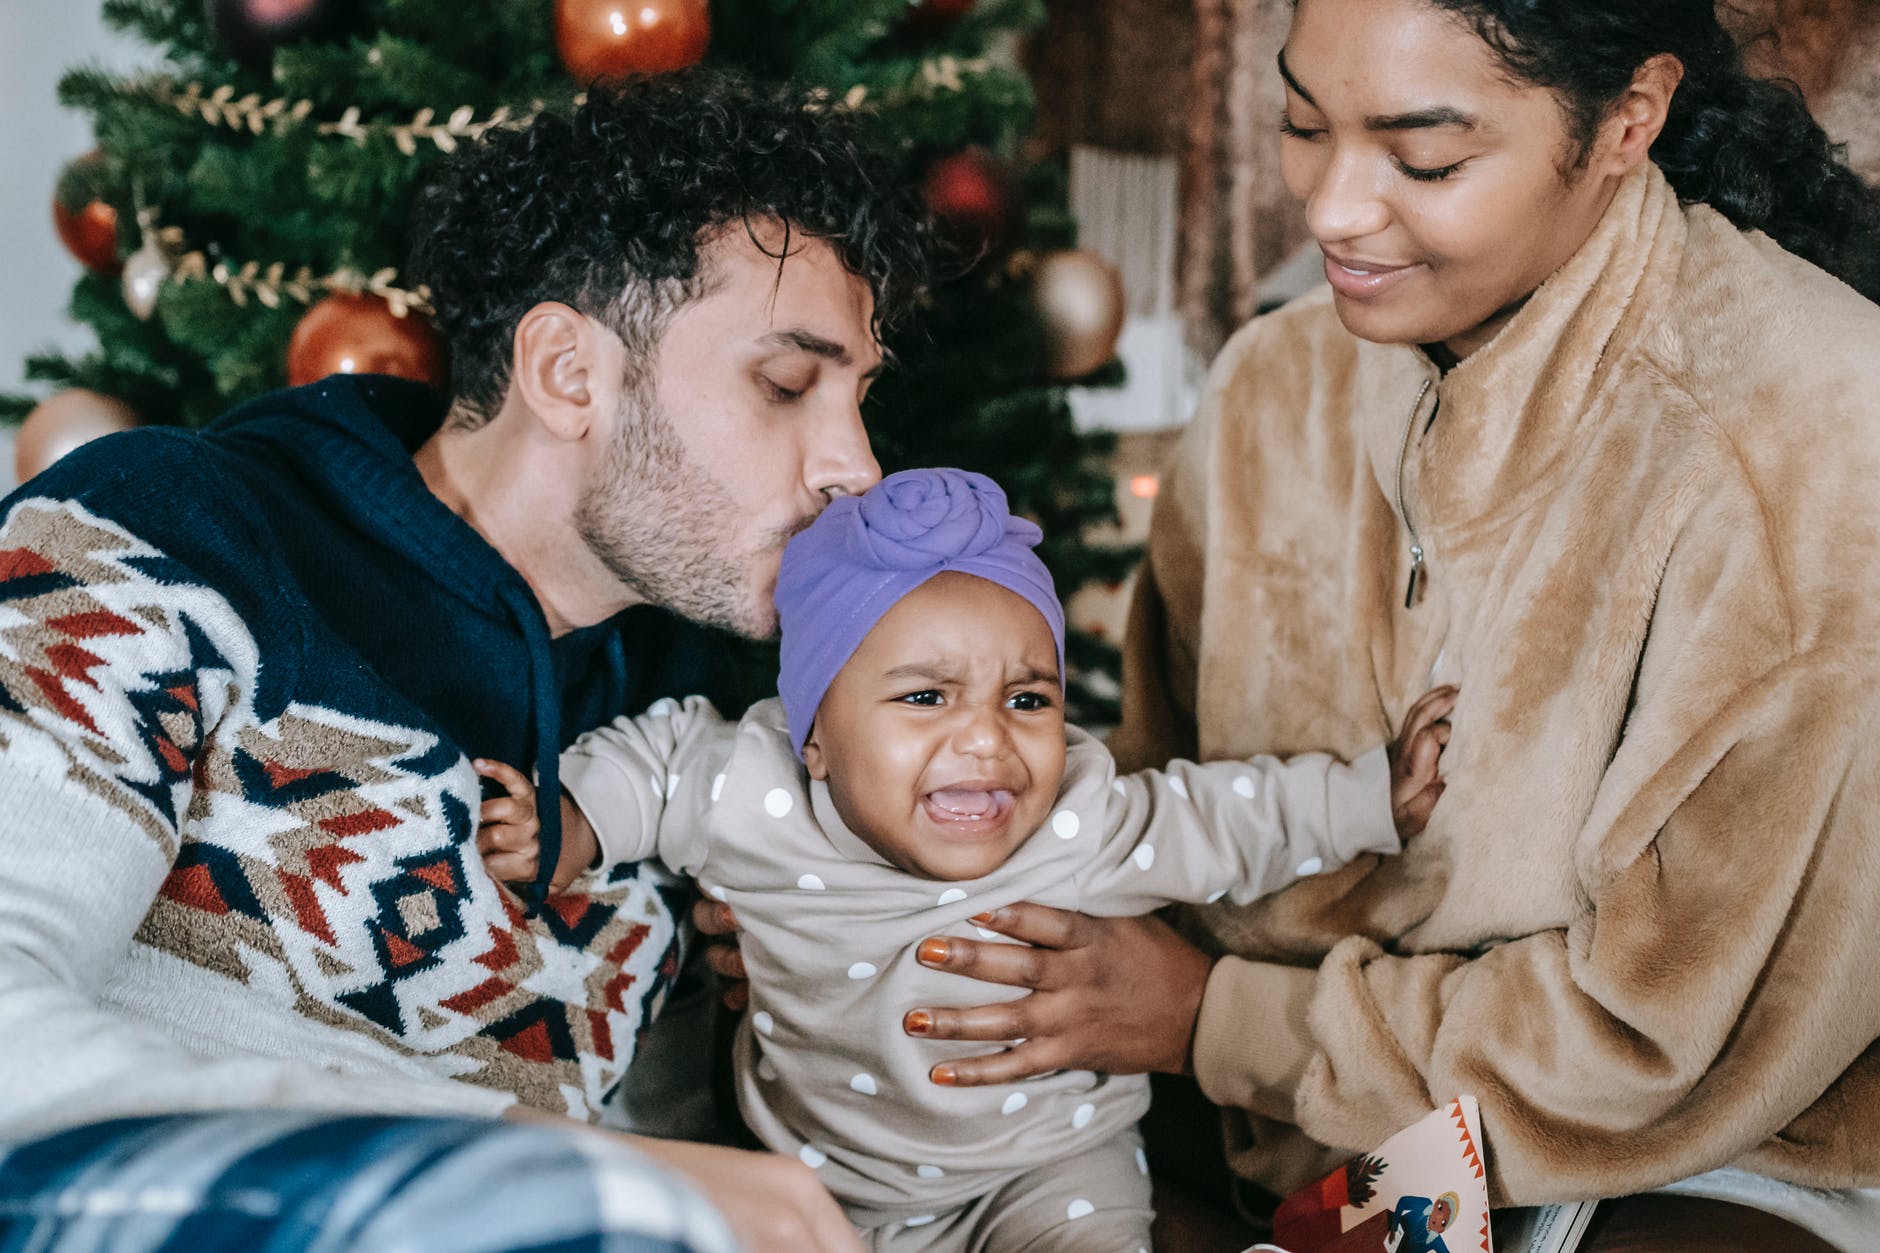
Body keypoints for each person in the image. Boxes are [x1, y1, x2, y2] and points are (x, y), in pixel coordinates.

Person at [881, 0, 1880, 1248]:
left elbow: (1653, 1043)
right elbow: (1143, 811)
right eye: (1302, 124)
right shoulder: (1268, 384)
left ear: (1626, 121)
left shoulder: (1813, 441)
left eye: (1424, 160)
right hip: (1269, 1101)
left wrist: (1211, 1018)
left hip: (1671, 1163)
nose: (1332, 212)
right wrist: (871, 872)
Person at [0, 68, 930, 1252]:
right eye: (787, 383)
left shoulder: (685, 730)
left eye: (855, 396)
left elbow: (710, 1155)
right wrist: (558, 1170)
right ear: (566, 372)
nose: (854, 463)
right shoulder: (159, 534)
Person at [475, 467, 1455, 1251]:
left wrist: (1372, 796)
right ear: (812, 736)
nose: (987, 738)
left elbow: (1229, 817)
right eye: (925, 698)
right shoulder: (753, 789)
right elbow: (659, 761)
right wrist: (572, 820)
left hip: (1047, 1169)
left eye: (1026, 699)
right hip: (825, 1183)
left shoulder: (1074, 815)